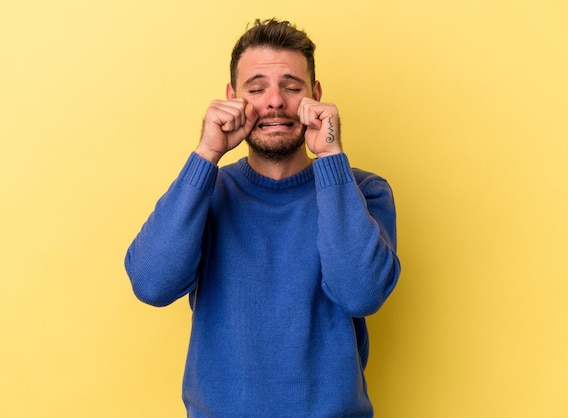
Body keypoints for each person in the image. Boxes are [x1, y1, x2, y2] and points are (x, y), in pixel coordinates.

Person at [125, 18, 401, 418]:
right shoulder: (207, 191)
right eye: (256, 89)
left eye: (291, 88)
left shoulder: (363, 192)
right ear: (232, 98)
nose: (274, 102)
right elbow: (152, 284)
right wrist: (206, 153)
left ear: (316, 95)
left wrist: (330, 158)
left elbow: (360, 293)